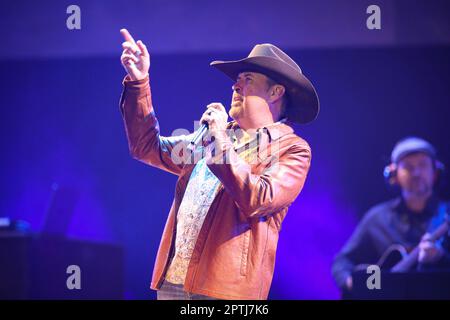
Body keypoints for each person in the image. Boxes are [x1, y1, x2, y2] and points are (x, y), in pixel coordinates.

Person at [118, 29, 319, 300]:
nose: (236, 86)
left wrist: (219, 139)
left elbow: (258, 198)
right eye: (237, 80)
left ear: (276, 91)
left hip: (226, 292)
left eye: (247, 79)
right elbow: (147, 148)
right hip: (173, 284)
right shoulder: (214, 137)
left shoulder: (292, 149)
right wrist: (139, 82)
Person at [332, 137, 450, 293]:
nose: (416, 173)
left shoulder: (445, 214)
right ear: (393, 175)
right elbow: (342, 262)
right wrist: (359, 289)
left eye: (422, 165)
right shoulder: (377, 218)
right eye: (408, 167)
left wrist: (441, 258)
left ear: (435, 171)